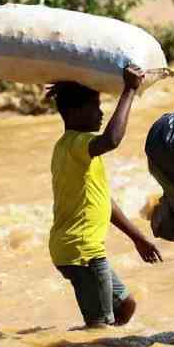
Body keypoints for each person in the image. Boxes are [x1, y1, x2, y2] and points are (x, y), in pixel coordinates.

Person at [47, 65, 162, 329]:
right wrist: (129, 91)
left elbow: (102, 202)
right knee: (99, 331)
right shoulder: (78, 144)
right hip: (83, 251)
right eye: (95, 107)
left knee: (126, 306)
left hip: (74, 250)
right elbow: (111, 139)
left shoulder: (66, 149)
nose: (100, 113)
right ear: (74, 113)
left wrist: (138, 239)